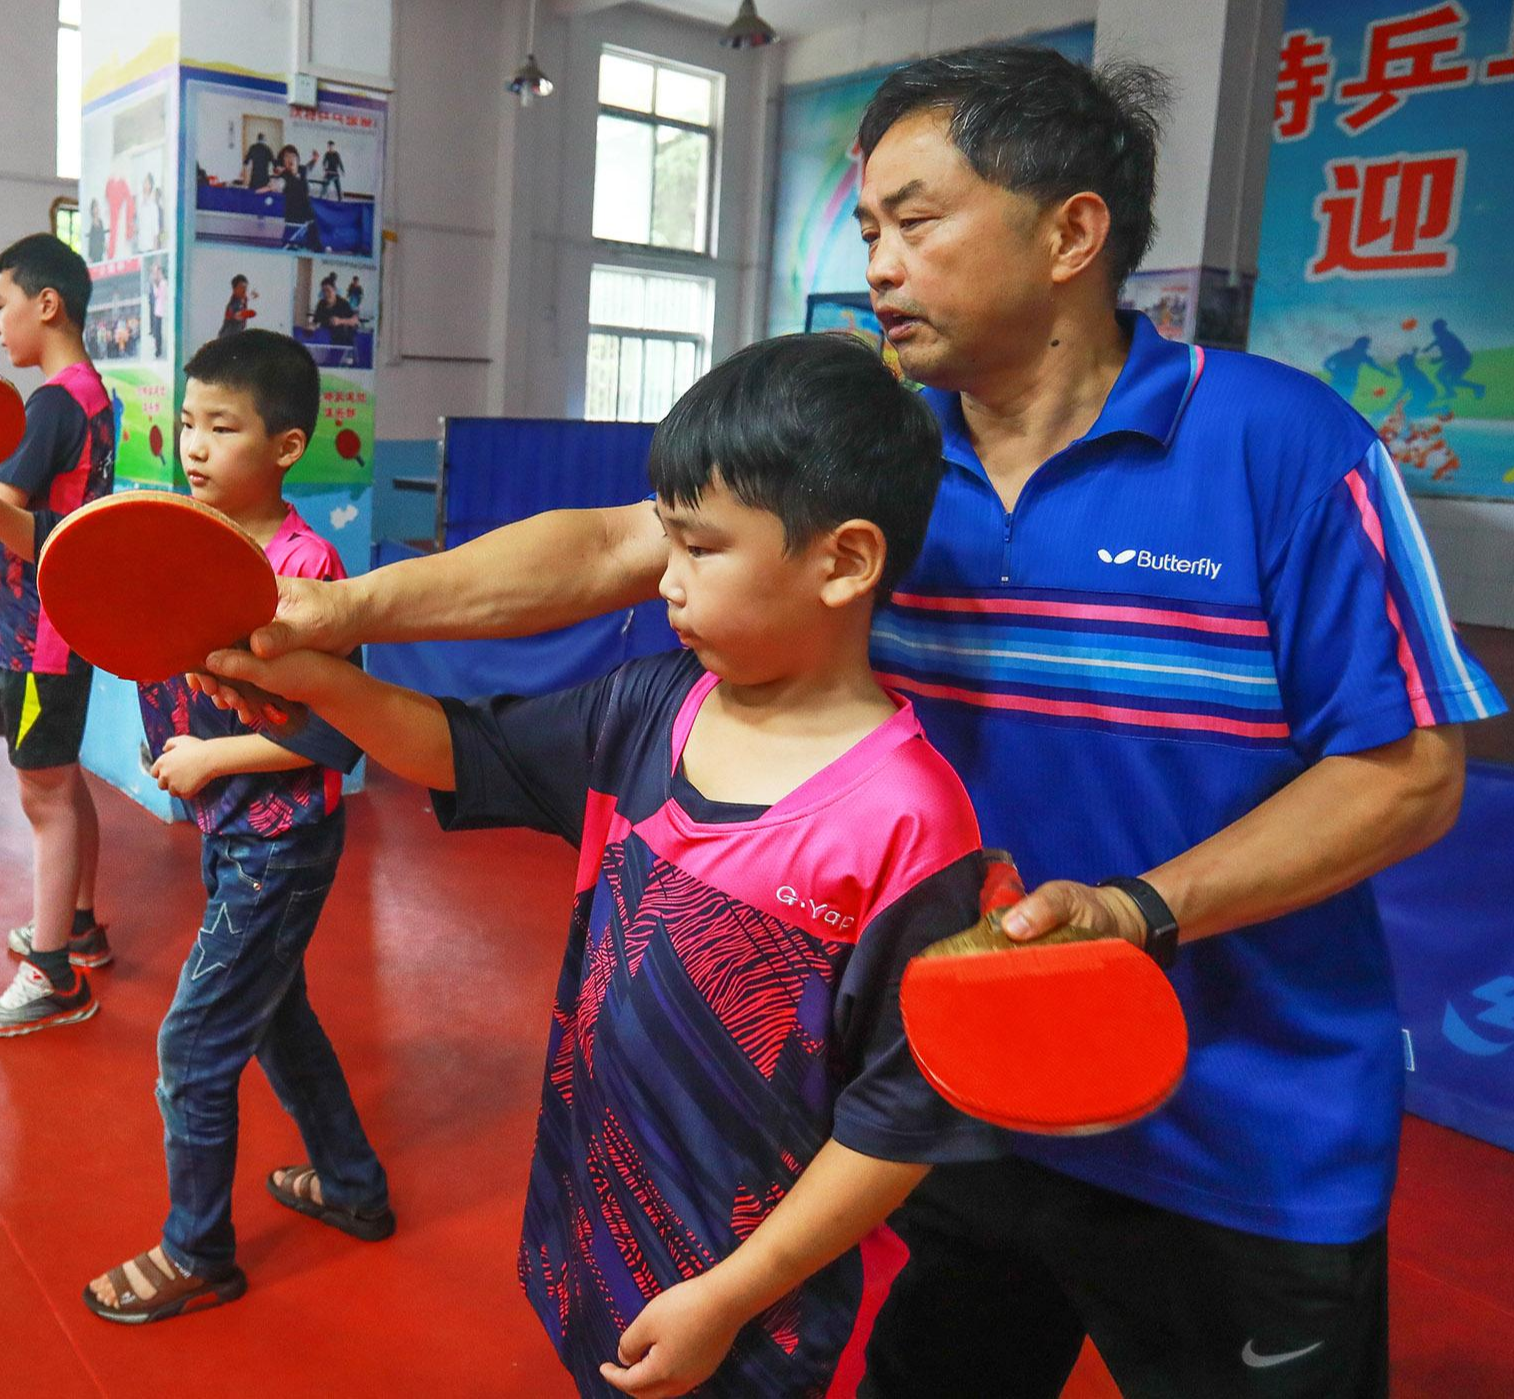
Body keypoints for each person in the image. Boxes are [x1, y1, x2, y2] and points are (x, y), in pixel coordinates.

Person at [198, 46, 1506, 1399]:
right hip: (945, 1104)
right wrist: (332, 611)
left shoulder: (1285, 447)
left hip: (1234, 1137)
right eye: (869, 226)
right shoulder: (872, 447)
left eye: (916, 220)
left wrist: (1134, 912)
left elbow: (1408, 774)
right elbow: (607, 544)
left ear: (1071, 231)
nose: (878, 260)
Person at [210, 333, 1008, 1395]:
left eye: (699, 548)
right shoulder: (650, 706)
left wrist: (729, 1295)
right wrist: (315, 677)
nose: (662, 580)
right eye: (662, 541)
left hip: (760, 1312)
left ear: (844, 560)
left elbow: (894, 1122)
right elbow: (461, 747)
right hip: (599, 1228)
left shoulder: (908, 824)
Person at [82, 330, 390, 1325]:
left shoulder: (306, 566)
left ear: (288, 444)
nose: (196, 446)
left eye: (222, 427)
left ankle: (196, 1251)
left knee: (194, 1044)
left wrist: (211, 756)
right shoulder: (192, 535)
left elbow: (338, 732)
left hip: (280, 841)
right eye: (186, 424)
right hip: (231, 833)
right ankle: (349, 1181)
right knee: (275, 1019)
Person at [0, 234, 115, 1035]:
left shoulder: (54, 401)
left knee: (42, 797)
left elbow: (21, 528)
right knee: (60, 780)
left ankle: (52, 976)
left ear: (47, 303)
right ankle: (78, 925)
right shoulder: (85, 396)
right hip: (46, 626)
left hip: (40, 634)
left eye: (1, 304)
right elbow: (19, 501)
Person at [1422, 318, 1486, 400]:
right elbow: (1436, 342)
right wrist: (1428, 347)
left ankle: (1476, 387)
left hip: (1461, 360)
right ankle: (1452, 392)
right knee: (1444, 377)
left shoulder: (1447, 337)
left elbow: (1449, 354)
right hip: (1457, 360)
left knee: (1451, 379)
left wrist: (1436, 360)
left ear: (1439, 329)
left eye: (1434, 329)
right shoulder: (1443, 336)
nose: (1433, 332)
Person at [276, 145, 322, 251]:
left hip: (308, 217)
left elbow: (308, 167)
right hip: (293, 219)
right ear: (283, 162)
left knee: (317, 249)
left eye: (293, 156)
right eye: (286, 157)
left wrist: (314, 160)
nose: (290, 159)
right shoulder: (284, 176)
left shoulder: (302, 170)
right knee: (287, 248)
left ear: (297, 158)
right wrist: (275, 184)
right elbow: (280, 183)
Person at [1322, 334, 1385, 402]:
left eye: (1365, 347)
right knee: (1334, 403)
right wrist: (1333, 372)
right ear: (1359, 345)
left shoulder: (1361, 356)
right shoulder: (1349, 354)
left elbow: (1376, 367)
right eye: (1365, 347)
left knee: (1338, 404)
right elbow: (1326, 363)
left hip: (1347, 384)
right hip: (1341, 383)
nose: (1365, 349)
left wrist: (1333, 371)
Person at [137, 172, 163, 253]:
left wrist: (159, 247)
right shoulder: (139, 204)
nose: (144, 184)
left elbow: (157, 230)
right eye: (144, 182)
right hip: (140, 247)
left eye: (146, 182)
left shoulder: (154, 208)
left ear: (150, 186)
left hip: (150, 248)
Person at [149, 260, 168, 358]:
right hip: (157, 310)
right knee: (156, 332)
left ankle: (159, 351)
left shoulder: (163, 283)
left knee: (158, 332)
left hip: (161, 310)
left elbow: (160, 295)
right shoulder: (158, 283)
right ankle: (157, 350)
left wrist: (156, 285)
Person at [87, 198, 107, 263]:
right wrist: (90, 255)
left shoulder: (100, 222)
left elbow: (102, 237)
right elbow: (91, 241)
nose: (97, 209)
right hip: (94, 253)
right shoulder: (91, 225)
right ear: (92, 210)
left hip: (100, 250)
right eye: (95, 207)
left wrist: (105, 246)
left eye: (97, 206)